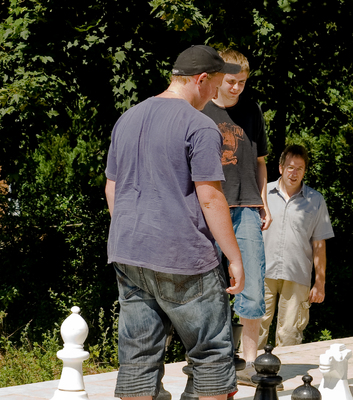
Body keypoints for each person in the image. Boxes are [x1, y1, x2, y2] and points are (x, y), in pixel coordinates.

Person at [104, 45, 245, 400]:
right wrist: (235, 257)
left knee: (138, 358)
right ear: (200, 80)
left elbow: (112, 187)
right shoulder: (200, 125)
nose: (215, 95)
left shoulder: (128, 117)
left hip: (128, 254)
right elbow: (210, 197)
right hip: (183, 257)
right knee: (211, 353)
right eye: (214, 86)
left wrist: (134, 233)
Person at [201, 49, 271, 386]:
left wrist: (264, 201)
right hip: (208, 209)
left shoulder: (252, 109)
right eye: (231, 82)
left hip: (246, 207)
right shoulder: (198, 109)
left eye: (242, 82)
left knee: (253, 287)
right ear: (216, 78)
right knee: (209, 289)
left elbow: (259, 160)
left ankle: (250, 363)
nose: (237, 88)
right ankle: (211, 361)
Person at [258, 144, 334, 349]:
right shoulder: (262, 194)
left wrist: (320, 282)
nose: (294, 173)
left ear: (305, 171)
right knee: (255, 329)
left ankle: (285, 377)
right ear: (281, 168)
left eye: (299, 168)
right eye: (290, 167)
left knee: (290, 334)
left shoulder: (315, 200)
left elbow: (319, 244)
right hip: (260, 273)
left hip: (297, 274)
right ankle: (248, 373)